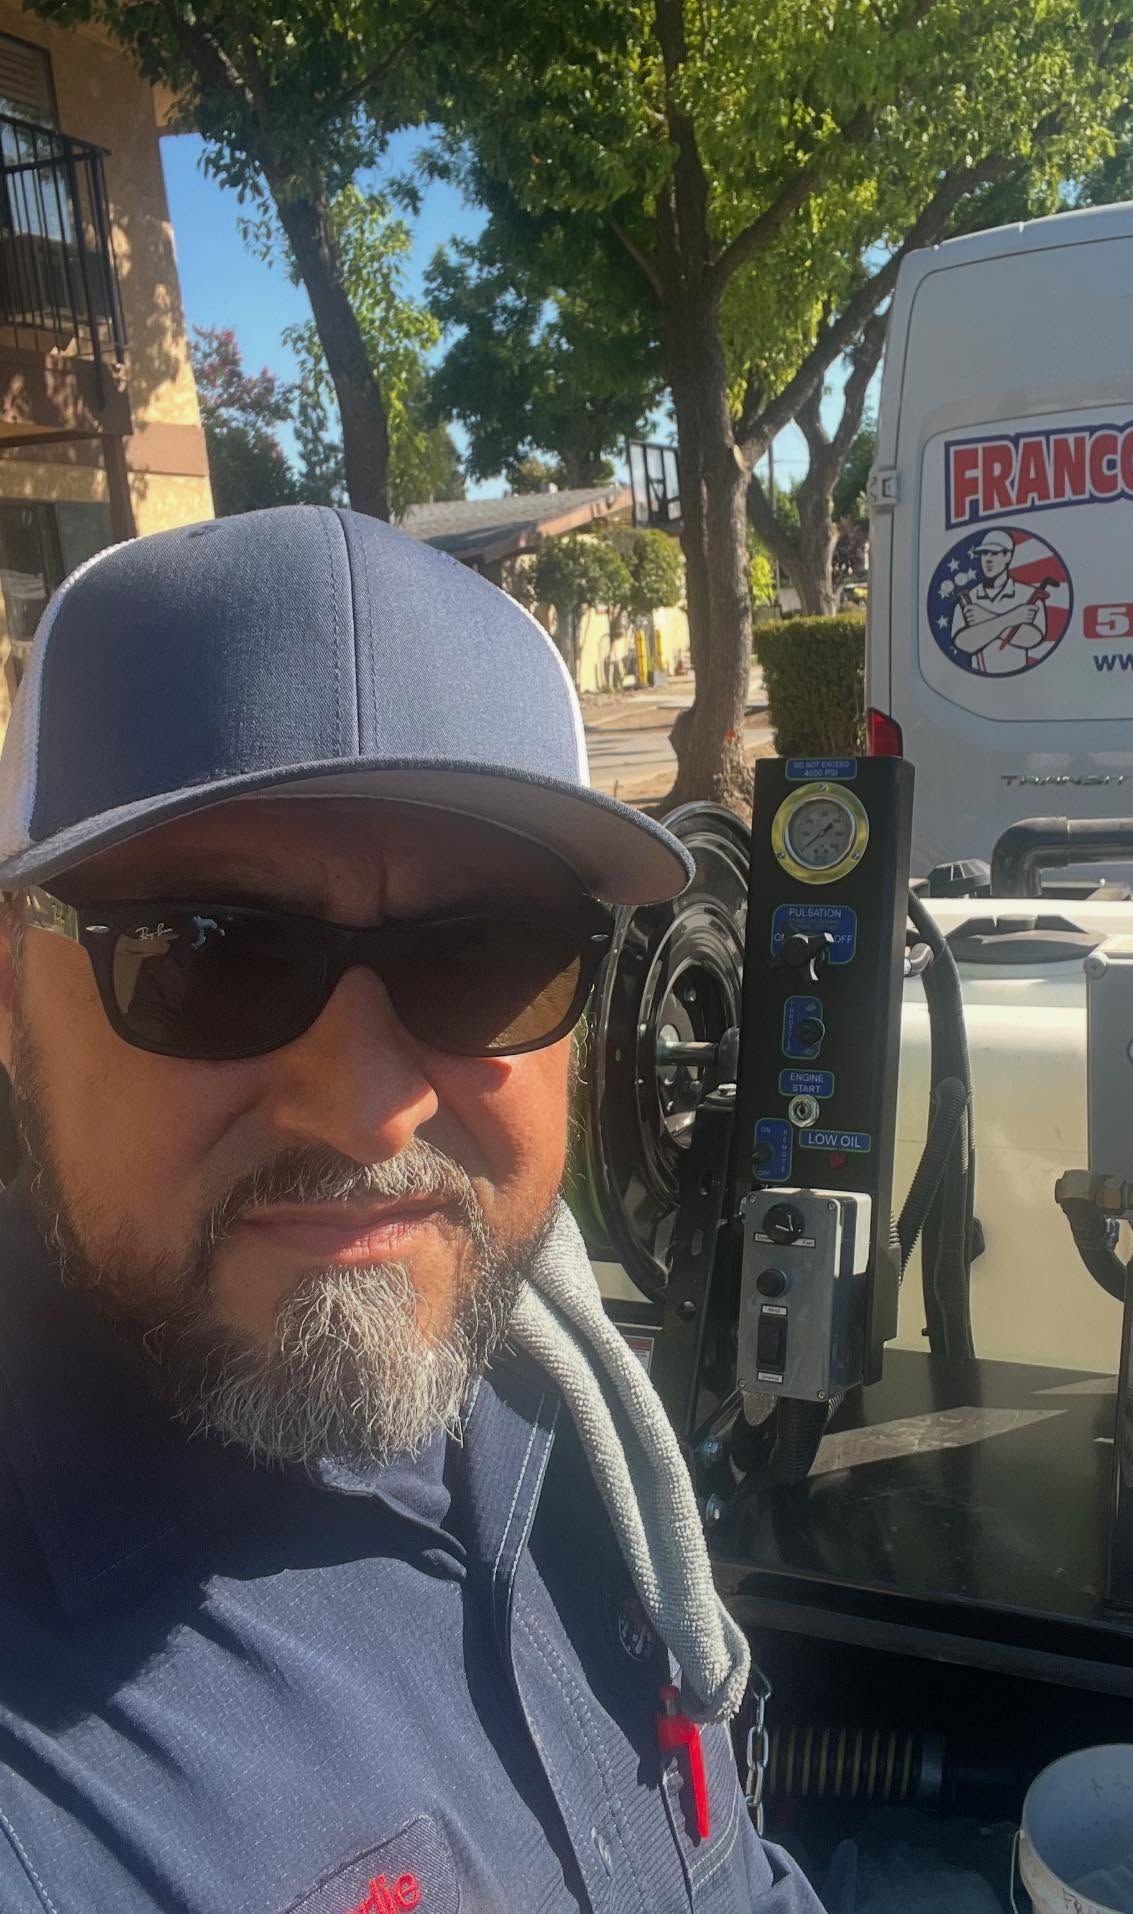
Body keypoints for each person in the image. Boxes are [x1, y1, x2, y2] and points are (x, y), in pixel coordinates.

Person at [0, 507, 821, 1913]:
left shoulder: (554, 1383)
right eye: (216, 952)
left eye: (486, 954)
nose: (372, 1106)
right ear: (14, 1002)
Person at [948, 527, 1046, 672]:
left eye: (994, 553)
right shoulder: (967, 599)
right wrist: (1013, 617)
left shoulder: (1029, 595)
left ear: (1008, 556)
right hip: (977, 684)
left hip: (1021, 682)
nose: (987, 559)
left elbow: (1032, 638)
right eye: (983, 554)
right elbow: (964, 643)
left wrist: (983, 618)